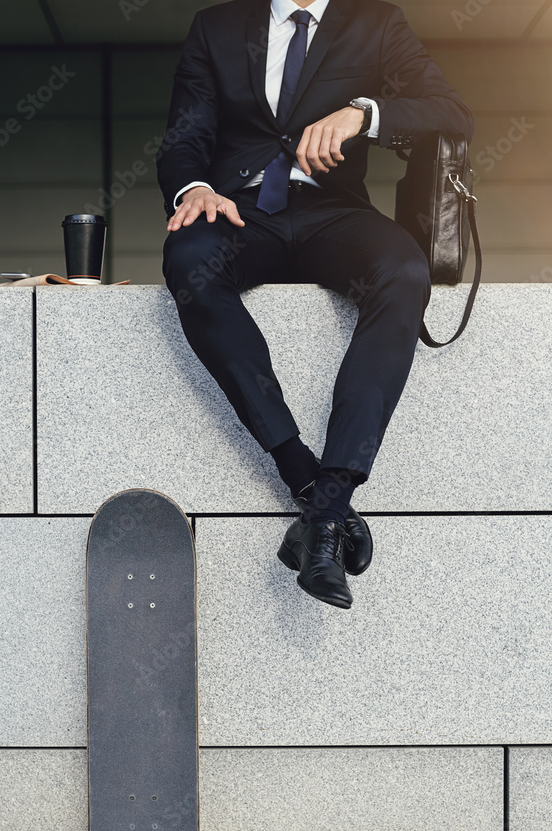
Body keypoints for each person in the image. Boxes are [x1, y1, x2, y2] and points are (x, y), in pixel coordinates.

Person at [157, 0, 473, 609]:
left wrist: (365, 114)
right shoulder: (216, 26)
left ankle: (325, 508)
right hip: (240, 210)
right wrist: (195, 189)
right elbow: (185, 135)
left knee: (404, 269)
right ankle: (308, 480)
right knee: (190, 262)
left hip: (336, 211)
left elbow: (451, 111)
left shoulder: (376, 22)